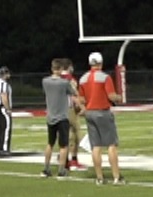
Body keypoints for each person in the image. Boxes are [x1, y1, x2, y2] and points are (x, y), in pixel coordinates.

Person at [79, 52, 123, 184]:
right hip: (102, 112)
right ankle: (116, 176)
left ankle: (99, 177)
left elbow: (81, 99)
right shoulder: (105, 77)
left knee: (95, 146)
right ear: (101, 63)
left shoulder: (83, 78)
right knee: (111, 145)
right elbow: (111, 96)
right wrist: (119, 97)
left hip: (89, 112)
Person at [40, 59, 81, 178]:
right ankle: (61, 170)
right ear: (61, 69)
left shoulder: (45, 81)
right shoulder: (64, 83)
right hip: (62, 116)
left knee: (50, 143)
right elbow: (74, 93)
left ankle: (46, 168)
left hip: (50, 115)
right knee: (64, 145)